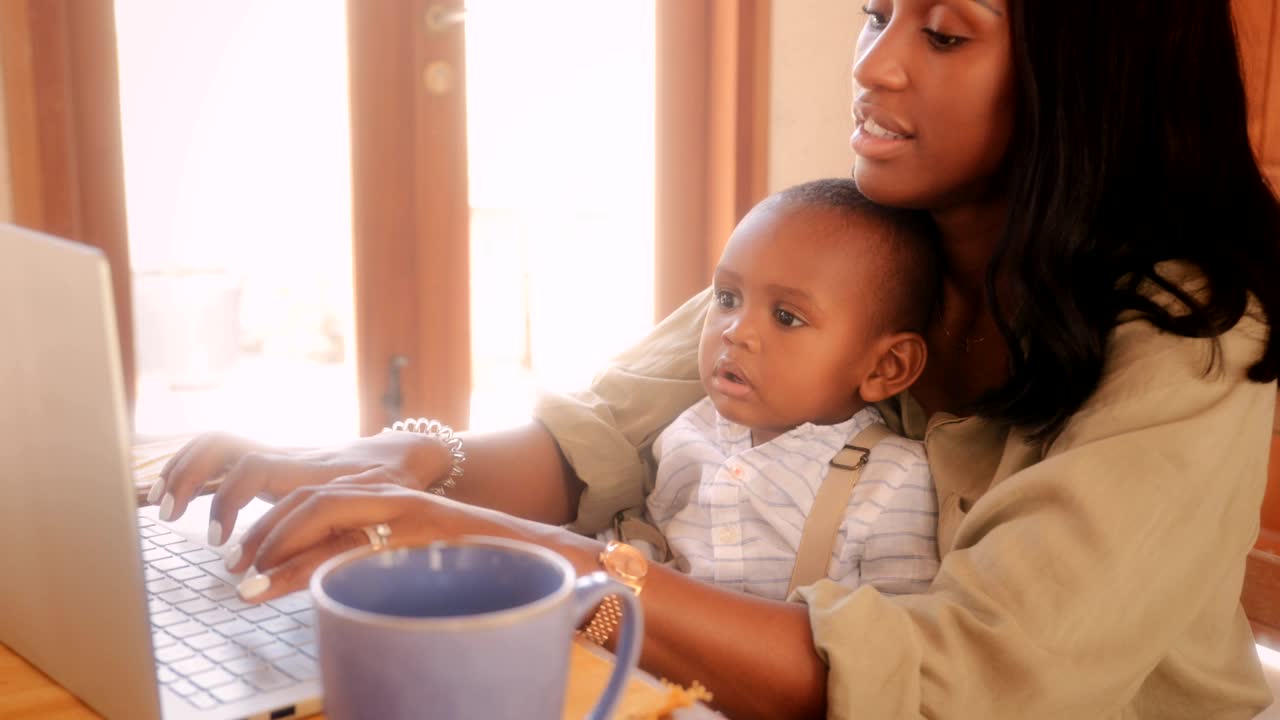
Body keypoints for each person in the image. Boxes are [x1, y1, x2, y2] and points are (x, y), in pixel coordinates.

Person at [153, 1, 1280, 718]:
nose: (875, 65)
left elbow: (961, 681)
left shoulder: (1188, 341)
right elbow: (599, 438)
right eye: (875, 12)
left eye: (942, 34)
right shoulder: (870, 240)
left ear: (1088, 82)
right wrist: (389, 471)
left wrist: (534, 561)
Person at [642, 177, 941, 600]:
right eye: (727, 298)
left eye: (786, 317)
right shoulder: (687, 432)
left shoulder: (893, 480)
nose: (736, 331)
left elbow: (896, 630)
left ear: (884, 368)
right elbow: (656, 547)